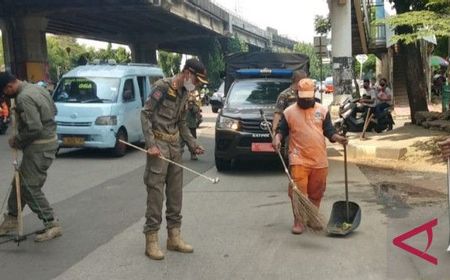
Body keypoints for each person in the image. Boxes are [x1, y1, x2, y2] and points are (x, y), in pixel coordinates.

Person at [140, 58, 207, 260]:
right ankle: (151, 240)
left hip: (175, 146)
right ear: (187, 73)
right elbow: (145, 114)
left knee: (175, 194)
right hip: (159, 146)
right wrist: (150, 144)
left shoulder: (185, 93)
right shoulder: (161, 87)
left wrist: (193, 144)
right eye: (196, 80)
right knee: (156, 195)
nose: (196, 85)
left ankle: (173, 237)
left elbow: (181, 123)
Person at [272, 78, 348, 234]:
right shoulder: (289, 112)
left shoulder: (323, 110)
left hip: (319, 159)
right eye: (303, 97)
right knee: (298, 191)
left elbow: (329, 132)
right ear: (297, 94)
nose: (306, 100)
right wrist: (277, 138)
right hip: (298, 157)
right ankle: (299, 221)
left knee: (317, 192)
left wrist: (339, 138)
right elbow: (282, 131)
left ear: (314, 93)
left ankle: (313, 218)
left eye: (309, 96)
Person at [0, 71, 62, 242]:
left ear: (9, 86)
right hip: (47, 143)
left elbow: (34, 128)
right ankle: (12, 218)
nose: (5, 96)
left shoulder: (23, 98)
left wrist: (17, 140)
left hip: (40, 148)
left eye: (5, 92)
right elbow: (54, 110)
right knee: (19, 182)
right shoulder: (38, 89)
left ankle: (51, 223)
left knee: (28, 187)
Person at [272, 70, 307, 135]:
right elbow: (278, 113)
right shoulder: (285, 95)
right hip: (290, 131)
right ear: (298, 80)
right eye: (304, 80)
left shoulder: (306, 93)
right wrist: (274, 131)